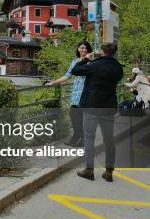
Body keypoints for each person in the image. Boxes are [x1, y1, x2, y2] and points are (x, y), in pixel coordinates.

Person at [71, 42, 124, 182]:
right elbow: (118, 78)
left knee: (89, 137)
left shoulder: (93, 65)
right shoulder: (117, 67)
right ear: (115, 52)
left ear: (101, 51)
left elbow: (75, 70)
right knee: (109, 139)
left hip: (91, 106)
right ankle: (109, 171)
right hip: (108, 108)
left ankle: (89, 170)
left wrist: (87, 58)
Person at [45, 40, 93, 147]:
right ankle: (78, 138)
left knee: (79, 116)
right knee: (74, 115)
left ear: (88, 49)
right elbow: (67, 76)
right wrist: (53, 83)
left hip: (86, 92)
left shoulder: (91, 62)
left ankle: (78, 139)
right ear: (78, 49)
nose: (83, 50)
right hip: (76, 92)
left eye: (85, 48)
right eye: (81, 47)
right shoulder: (75, 61)